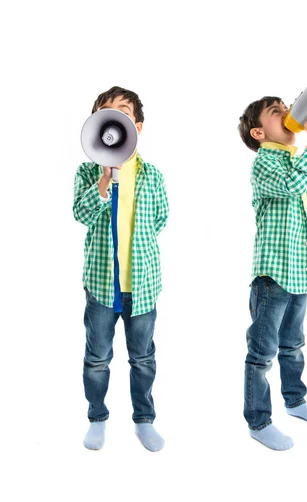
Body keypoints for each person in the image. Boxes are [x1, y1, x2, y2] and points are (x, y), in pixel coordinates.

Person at [73, 86, 169, 451]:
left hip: (142, 285)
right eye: (106, 111)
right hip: (101, 284)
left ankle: (144, 419)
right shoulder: (87, 171)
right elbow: (81, 214)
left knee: (143, 357)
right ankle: (97, 417)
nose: (115, 116)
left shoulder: (152, 175)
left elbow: (160, 219)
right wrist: (102, 183)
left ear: (137, 126)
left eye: (124, 112)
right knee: (97, 357)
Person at [238, 96, 307, 450]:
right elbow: (292, 187)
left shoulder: (294, 160)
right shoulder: (264, 164)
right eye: (277, 113)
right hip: (273, 275)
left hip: (296, 272)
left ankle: (295, 400)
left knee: (293, 344)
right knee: (262, 352)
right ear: (259, 132)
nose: (289, 115)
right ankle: (258, 421)